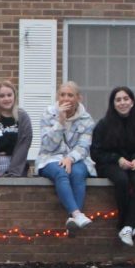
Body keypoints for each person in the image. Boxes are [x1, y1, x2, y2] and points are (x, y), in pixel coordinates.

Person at [90, 86, 135, 246]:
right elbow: (96, 153)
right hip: (110, 164)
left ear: (132, 102)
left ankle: (126, 226)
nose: (122, 103)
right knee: (122, 180)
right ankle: (133, 223)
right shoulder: (103, 125)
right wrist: (117, 159)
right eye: (118, 100)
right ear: (113, 104)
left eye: (126, 99)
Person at [36, 81, 96, 231]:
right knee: (61, 173)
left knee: (77, 173)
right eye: (62, 95)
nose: (66, 98)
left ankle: (73, 222)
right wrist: (60, 122)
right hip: (50, 158)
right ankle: (77, 214)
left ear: (78, 98)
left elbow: (83, 146)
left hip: (77, 158)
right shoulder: (48, 114)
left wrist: (70, 158)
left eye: (70, 95)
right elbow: (48, 145)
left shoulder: (87, 119)